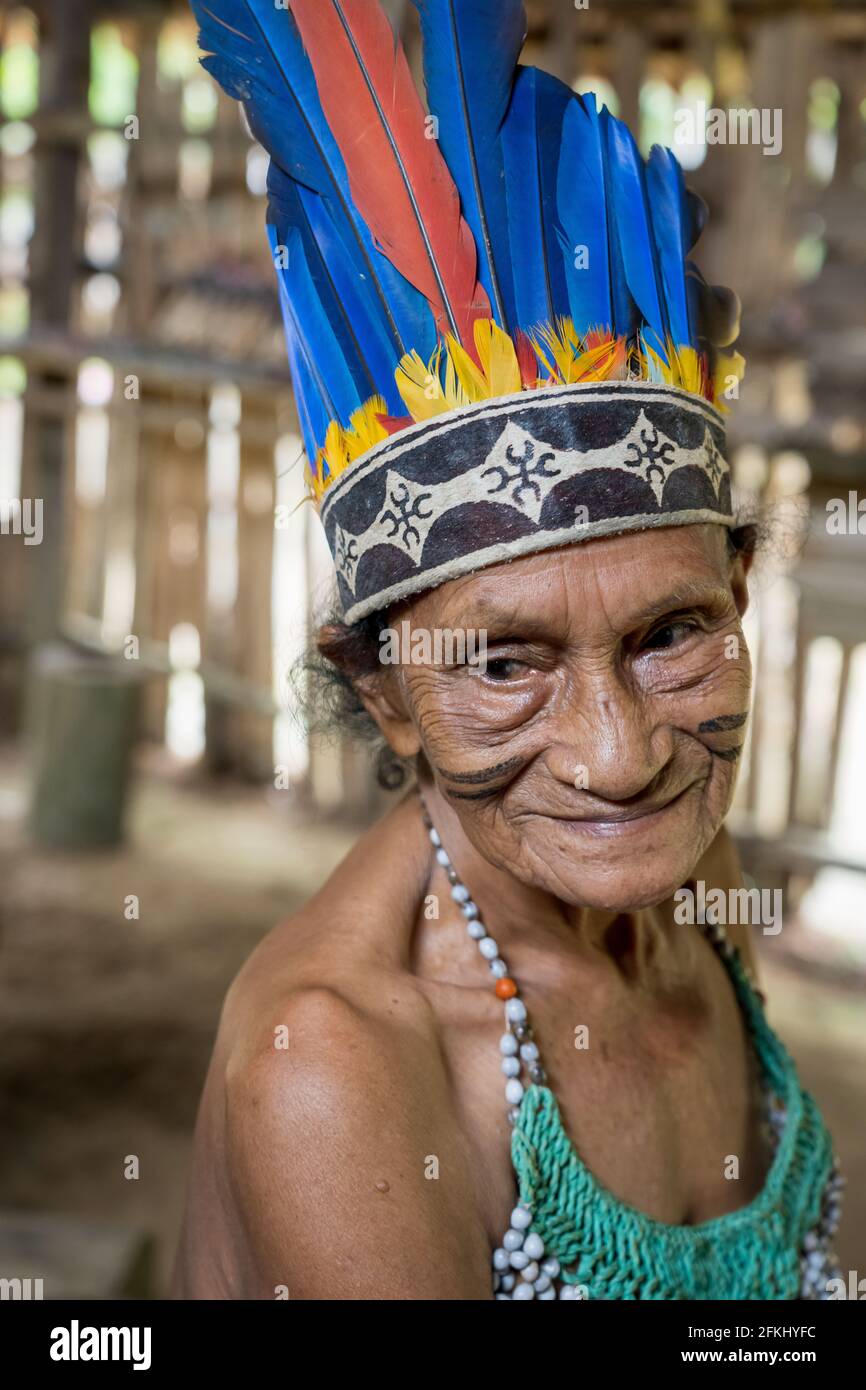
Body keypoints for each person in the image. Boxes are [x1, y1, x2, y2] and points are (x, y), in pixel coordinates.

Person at [173, 0, 843, 1300]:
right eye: (502, 663)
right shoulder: (342, 1062)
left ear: (740, 591)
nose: (619, 752)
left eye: (668, 634)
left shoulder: (687, 872)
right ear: (384, 695)